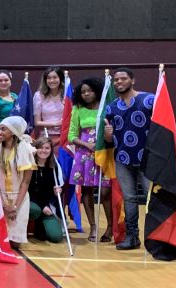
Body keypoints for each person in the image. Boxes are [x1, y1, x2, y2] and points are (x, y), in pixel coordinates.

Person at [103, 67, 155, 250]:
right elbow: (109, 139)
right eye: (116, 80)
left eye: (123, 79)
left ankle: (157, 237)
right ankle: (132, 237)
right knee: (130, 199)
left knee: (153, 198)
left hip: (148, 159)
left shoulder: (149, 99)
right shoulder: (111, 107)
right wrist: (108, 135)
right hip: (122, 159)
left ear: (132, 80)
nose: (119, 82)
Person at [68, 77, 112, 242]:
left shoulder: (105, 107)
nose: (86, 94)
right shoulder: (77, 109)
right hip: (84, 154)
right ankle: (93, 226)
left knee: (106, 191)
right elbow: (71, 135)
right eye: (83, 92)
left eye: (89, 91)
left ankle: (109, 227)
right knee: (86, 190)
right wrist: (86, 144)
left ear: (97, 90)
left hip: (104, 151)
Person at [0, 116, 37, 248]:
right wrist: (3, 205)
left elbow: (26, 182)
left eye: (3, 129)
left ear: (13, 131)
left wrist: (14, 207)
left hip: (19, 197)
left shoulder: (26, 150)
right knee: (0, 241)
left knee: (15, 243)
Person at [28, 137, 64, 243]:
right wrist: (43, 206)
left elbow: (52, 191)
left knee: (56, 237)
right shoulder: (29, 166)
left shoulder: (53, 168)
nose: (44, 150)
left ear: (51, 150)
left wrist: (56, 192)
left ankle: (40, 225)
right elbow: (30, 191)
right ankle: (31, 226)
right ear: (35, 149)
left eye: (47, 148)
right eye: (40, 147)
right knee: (35, 210)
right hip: (32, 202)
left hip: (47, 205)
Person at [33, 67, 65, 148]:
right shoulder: (39, 95)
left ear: (60, 78)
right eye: (49, 78)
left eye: (55, 77)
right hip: (46, 136)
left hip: (64, 136)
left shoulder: (66, 95)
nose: (51, 81)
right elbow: (37, 122)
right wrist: (56, 123)